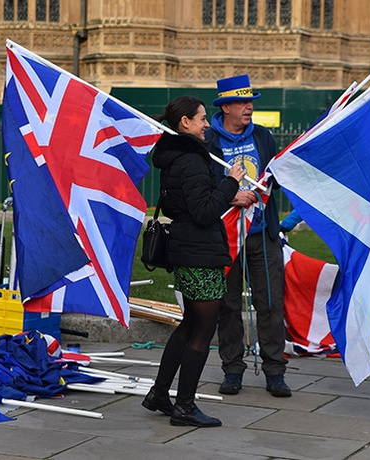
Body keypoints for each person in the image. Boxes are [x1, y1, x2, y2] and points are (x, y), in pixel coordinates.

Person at [141, 95, 246, 427]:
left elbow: (185, 204)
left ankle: (160, 393)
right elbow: (203, 212)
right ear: (184, 123)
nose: (206, 124)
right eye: (201, 119)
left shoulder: (177, 157)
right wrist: (231, 182)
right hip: (199, 253)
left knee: (188, 325)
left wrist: (224, 189)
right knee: (203, 328)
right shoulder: (191, 161)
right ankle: (185, 405)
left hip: (188, 250)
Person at [205, 74, 292, 397]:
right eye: (242, 102)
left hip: (261, 232)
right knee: (227, 305)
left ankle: (274, 370)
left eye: (251, 101)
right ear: (225, 106)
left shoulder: (264, 137)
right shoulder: (209, 141)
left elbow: (274, 180)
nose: (249, 107)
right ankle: (232, 369)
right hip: (225, 235)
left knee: (269, 302)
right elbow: (202, 186)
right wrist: (231, 197)